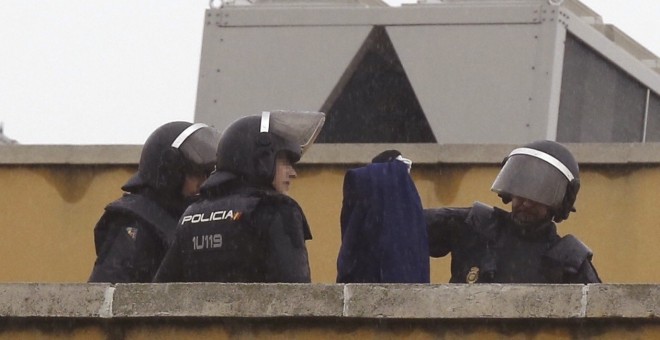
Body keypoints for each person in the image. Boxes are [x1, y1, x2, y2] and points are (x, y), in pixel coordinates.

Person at [153, 110, 325, 283]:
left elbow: (162, 293)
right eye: (285, 161)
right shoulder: (276, 209)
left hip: (202, 310)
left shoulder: (191, 214)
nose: (292, 173)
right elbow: (296, 294)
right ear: (262, 159)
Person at [424, 140, 601, 283]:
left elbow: (600, 319)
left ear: (560, 203)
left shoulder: (569, 261)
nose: (526, 203)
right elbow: (407, 226)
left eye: (539, 196)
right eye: (521, 191)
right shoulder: (476, 226)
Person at [88, 121, 220, 283]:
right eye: (195, 174)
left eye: (207, 175)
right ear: (171, 174)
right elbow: (108, 295)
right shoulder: (136, 221)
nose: (203, 183)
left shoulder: (191, 220)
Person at [336, 150, 430, 283]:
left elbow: (351, 244)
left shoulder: (366, 187)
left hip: (365, 284)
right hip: (404, 287)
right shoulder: (409, 210)